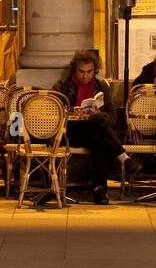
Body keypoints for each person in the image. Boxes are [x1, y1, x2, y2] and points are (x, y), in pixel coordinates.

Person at [54, 50, 134, 204]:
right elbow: (52, 110)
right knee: (97, 123)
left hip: (93, 132)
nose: (85, 76)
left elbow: (112, 116)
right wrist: (71, 112)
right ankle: (124, 157)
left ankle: (99, 189)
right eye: (81, 72)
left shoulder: (101, 87)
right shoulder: (63, 86)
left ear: (94, 70)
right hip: (70, 132)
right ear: (74, 70)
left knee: (99, 138)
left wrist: (99, 114)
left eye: (89, 72)